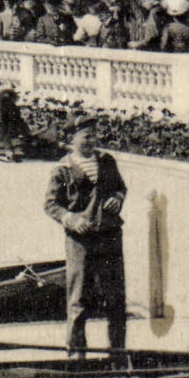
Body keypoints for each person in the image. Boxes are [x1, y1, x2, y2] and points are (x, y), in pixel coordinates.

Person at [44, 112, 127, 358]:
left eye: (95, 135)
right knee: (79, 298)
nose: (92, 141)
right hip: (80, 241)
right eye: (86, 136)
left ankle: (118, 352)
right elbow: (50, 205)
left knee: (115, 297)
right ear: (72, 138)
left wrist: (117, 199)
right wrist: (71, 219)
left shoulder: (107, 161)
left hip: (110, 236)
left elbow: (120, 187)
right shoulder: (62, 169)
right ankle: (76, 353)